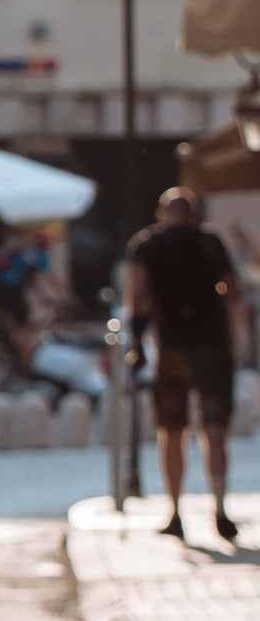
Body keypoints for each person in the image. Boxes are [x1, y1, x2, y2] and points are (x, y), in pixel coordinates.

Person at [124, 181, 251, 546]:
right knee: (214, 428)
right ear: (194, 214)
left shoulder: (147, 244)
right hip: (212, 345)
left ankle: (175, 512)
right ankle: (220, 508)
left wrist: (137, 344)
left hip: (171, 346)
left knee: (171, 430)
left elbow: (138, 296)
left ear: (163, 214)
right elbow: (233, 290)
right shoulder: (210, 241)